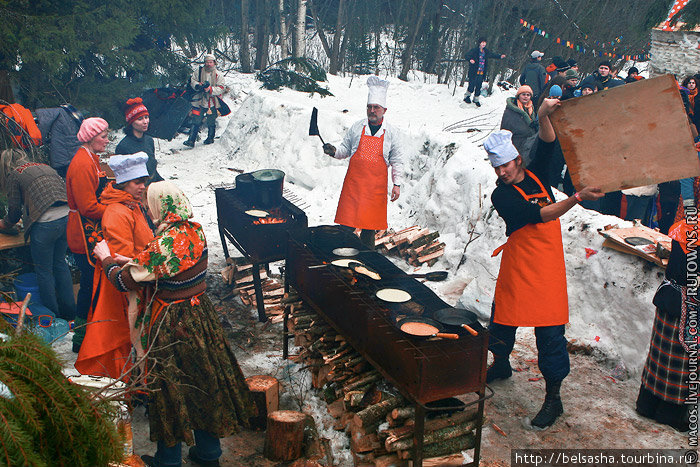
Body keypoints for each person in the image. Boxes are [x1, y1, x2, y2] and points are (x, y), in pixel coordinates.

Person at [92, 181, 253, 467]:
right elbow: (172, 266)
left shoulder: (164, 245)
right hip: (200, 316)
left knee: (168, 389)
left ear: (160, 207)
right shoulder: (194, 231)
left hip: (171, 323)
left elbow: (123, 281)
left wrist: (106, 260)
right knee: (203, 382)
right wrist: (132, 260)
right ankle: (208, 454)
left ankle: (167, 461)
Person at [484, 98, 604, 429]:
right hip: (519, 264)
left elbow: (549, 143)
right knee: (503, 320)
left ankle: (554, 398)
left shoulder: (537, 174)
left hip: (547, 270)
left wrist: (542, 116)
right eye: (496, 168)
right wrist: (576, 198)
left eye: (505, 165)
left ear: (517, 159)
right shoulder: (501, 196)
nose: (502, 172)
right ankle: (500, 364)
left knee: (550, 335)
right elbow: (539, 215)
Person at [75, 153, 154, 379]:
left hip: (138, 275)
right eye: (137, 182)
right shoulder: (117, 212)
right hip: (125, 284)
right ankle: (130, 382)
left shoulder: (131, 204)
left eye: (144, 181)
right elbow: (123, 257)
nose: (142, 187)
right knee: (124, 334)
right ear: (123, 183)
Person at [322, 76, 404, 249]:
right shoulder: (357, 127)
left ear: (384, 110)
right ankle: (340, 256)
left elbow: (397, 160)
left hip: (375, 190)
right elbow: (345, 149)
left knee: (369, 229)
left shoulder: (392, 133)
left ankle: (368, 259)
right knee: (346, 226)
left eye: (376, 107)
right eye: (369, 107)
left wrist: (397, 184)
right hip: (354, 187)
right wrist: (334, 151)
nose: (372, 111)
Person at [0, 148, 76, 320]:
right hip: (66, 217)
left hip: (46, 224)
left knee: (43, 271)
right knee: (60, 264)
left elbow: (13, 215)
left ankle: (51, 317)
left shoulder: (15, 174)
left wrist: (3, 224)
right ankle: (70, 313)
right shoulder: (44, 166)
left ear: (5, 166)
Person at [635, 216, 693, 432]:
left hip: (669, 297)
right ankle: (670, 414)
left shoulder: (683, 228)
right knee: (681, 364)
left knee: (659, 357)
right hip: (689, 306)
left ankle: (646, 404)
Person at [66, 117, 110, 353]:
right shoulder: (82, 164)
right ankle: (80, 338)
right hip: (82, 232)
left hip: (91, 230)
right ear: (91, 138)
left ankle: (94, 333)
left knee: (94, 282)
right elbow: (88, 207)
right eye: (103, 136)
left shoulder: (92, 159)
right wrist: (115, 210)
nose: (106, 140)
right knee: (88, 284)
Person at [115, 97, 163, 183]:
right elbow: (124, 179)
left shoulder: (149, 141)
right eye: (140, 119)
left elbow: (152, 170)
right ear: (131, 121)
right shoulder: (123, 147)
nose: (145, 122)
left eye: (146, 117)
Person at [184, 54, 225, 147]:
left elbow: (221, 87)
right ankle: (191, 140)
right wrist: (198, 85)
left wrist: (210, 89)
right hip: (199, 101)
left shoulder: (218, 75)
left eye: (210, 62)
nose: (208, 64)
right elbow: (192, 80)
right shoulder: (198, 72)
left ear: (214, 63)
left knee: (211, 120)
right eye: (207, 62)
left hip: (212, 102)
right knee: (196, 119)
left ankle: (210, 138)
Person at [35, 104, 83, 178]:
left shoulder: (46, 118)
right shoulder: (69, 111)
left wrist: (36, 142)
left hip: (64, 155)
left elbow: (40, 135)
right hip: (74, 152)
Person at [463, 38, 505, 107]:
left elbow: (492, 55)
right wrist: (470, 60)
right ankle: (467, 97)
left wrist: (500, 56)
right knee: (471, 85)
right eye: (482, 42)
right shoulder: (475, 50)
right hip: (474, 71)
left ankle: (476, 99)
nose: (483, 44)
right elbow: (466, 55)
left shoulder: (486, 51)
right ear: (479, 43)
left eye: (484, 42)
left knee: (479, 86)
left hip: (481, 72)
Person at [500, 85, 537, 161]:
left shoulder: (532, 109)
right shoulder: (510, 110)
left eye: (528, 95)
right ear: (518, 96)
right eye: (523, 94)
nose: (526, 97)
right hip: (516, 144)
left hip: (529, 145)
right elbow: (504, 130)